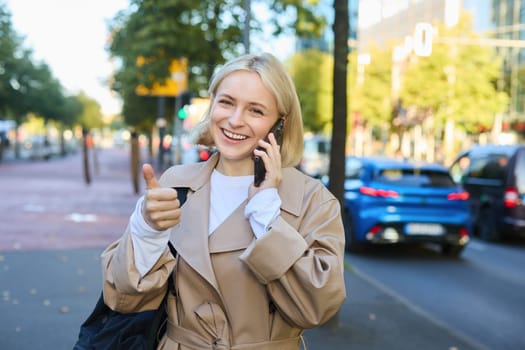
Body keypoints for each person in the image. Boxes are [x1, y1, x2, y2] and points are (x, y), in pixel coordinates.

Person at [100, 52, 346, 349]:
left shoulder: (312, 199)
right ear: (212, 103)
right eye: (226, 102)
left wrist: (266, 216)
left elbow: (318, 306)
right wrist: (146, 229)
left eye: (255, 111)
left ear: (279, 123)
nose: (234, 120)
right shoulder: (175, 184)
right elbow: (124, 296)